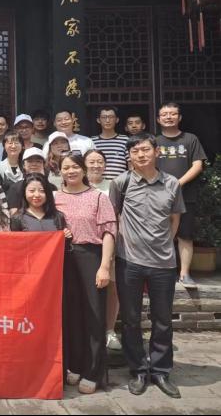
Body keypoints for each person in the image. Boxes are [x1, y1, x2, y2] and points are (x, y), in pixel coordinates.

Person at [109, 133, 185, 399]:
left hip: (163, 263)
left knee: (162, 319)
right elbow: (113, 218)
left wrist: (163, 245)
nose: (140, 155)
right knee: (131, 319)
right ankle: (139, 370)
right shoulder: (121, 182)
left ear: (157, 152)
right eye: (135, 151)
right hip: (129, 261)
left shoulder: (172, 183)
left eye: (145, 150)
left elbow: (174, 219)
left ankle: (161, 370)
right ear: (129, 156)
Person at [55, 154, 117, 395]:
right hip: (64, 259)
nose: (70, 171)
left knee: (94, 313)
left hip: (92, 256)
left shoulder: (99, 197)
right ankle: (75, 364)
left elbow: (109, 232)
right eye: (65, 167)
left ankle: (93, 371)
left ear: (83, 169)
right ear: (60, 171)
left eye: (75, 167)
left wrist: (104, 266)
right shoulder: (55, 197)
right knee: (71, 313)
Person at [155, 102, 207, 289]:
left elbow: (198, 165)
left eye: (173, 114)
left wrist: (178, 183)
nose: (169, 117)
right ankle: (160, 272)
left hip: (186, 195)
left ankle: (184, 274)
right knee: (158, 234)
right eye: (164, 114)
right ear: (158, 119)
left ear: (179, 117)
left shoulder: (190, 139)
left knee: (185, 234)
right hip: (158, 194)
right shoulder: (154, 141)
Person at [84, 149, 122, 353]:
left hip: (109, 243)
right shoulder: (77, 185)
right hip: (84, 245)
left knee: (112, 287)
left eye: (100, 161)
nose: (96, 165)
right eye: (91, 161)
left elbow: (119, 214)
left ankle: (109, 330)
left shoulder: (114, 186)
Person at [6, 147, 53, 216]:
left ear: (43, 165)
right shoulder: (15, 188)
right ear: (23, 165)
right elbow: (13, 213)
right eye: (30, 161)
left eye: (38, 161)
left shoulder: (51, 187)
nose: (34, 164)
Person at [92, 106, 129, 180]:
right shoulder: (91, 141)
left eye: (111, 117)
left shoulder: (125, 140)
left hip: (120, 184)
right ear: (98, 120)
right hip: (97, 184)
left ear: (117, 120)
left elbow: (131, 164)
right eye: (104, 117)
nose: (107, 120)